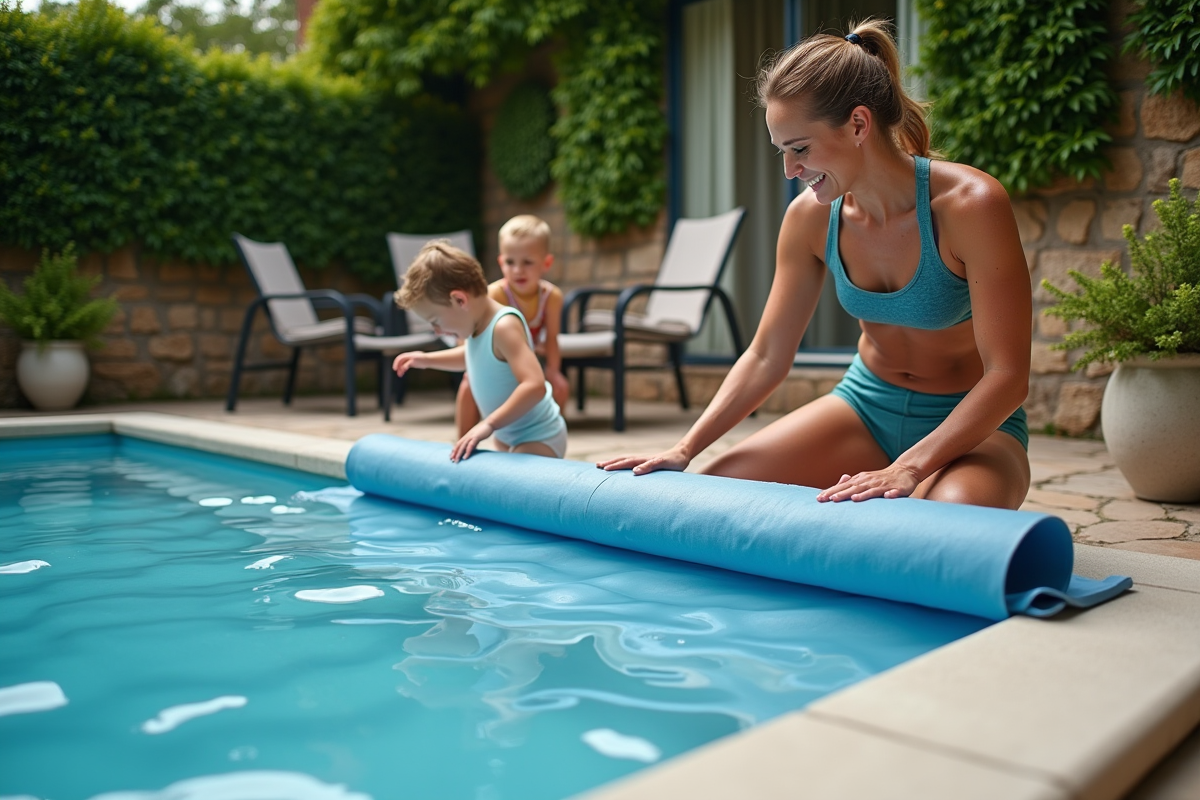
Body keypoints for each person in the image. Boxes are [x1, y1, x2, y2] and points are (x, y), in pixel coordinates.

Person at [599, 19, 1032, 510]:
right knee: (715, 495)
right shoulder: (809, 219)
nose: (790, 171)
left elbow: (1008, 375)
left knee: (944, 531)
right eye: (782, 152)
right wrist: (685, 448)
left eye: (800, 149)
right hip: (866, 408)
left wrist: (909, 467)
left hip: (972, 426)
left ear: (858, 125)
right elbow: (766, 356)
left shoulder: (969, 206)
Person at [393, 240, 567, 462]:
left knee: (509, 485)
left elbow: (535, 386)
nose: (437, 331)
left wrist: (488, 424)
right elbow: (471, 358)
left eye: (435, 321)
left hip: (540, 436)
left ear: (459, 299)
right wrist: (425, 359)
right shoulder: (476, 327)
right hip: (507, 435)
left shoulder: (503, 326)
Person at [456, 215, 570, 438]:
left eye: (527, 262)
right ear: (501, 262)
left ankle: (549, 433)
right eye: (510, 262)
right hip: (491, 356)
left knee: (560, 386)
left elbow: (553, 339)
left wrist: (554, 371)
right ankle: (462, 441)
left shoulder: (551, 296)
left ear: (546, 263)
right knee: (468, 384)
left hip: (525, 359)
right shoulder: (494, 294)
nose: (518, 270)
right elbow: (472, 336)